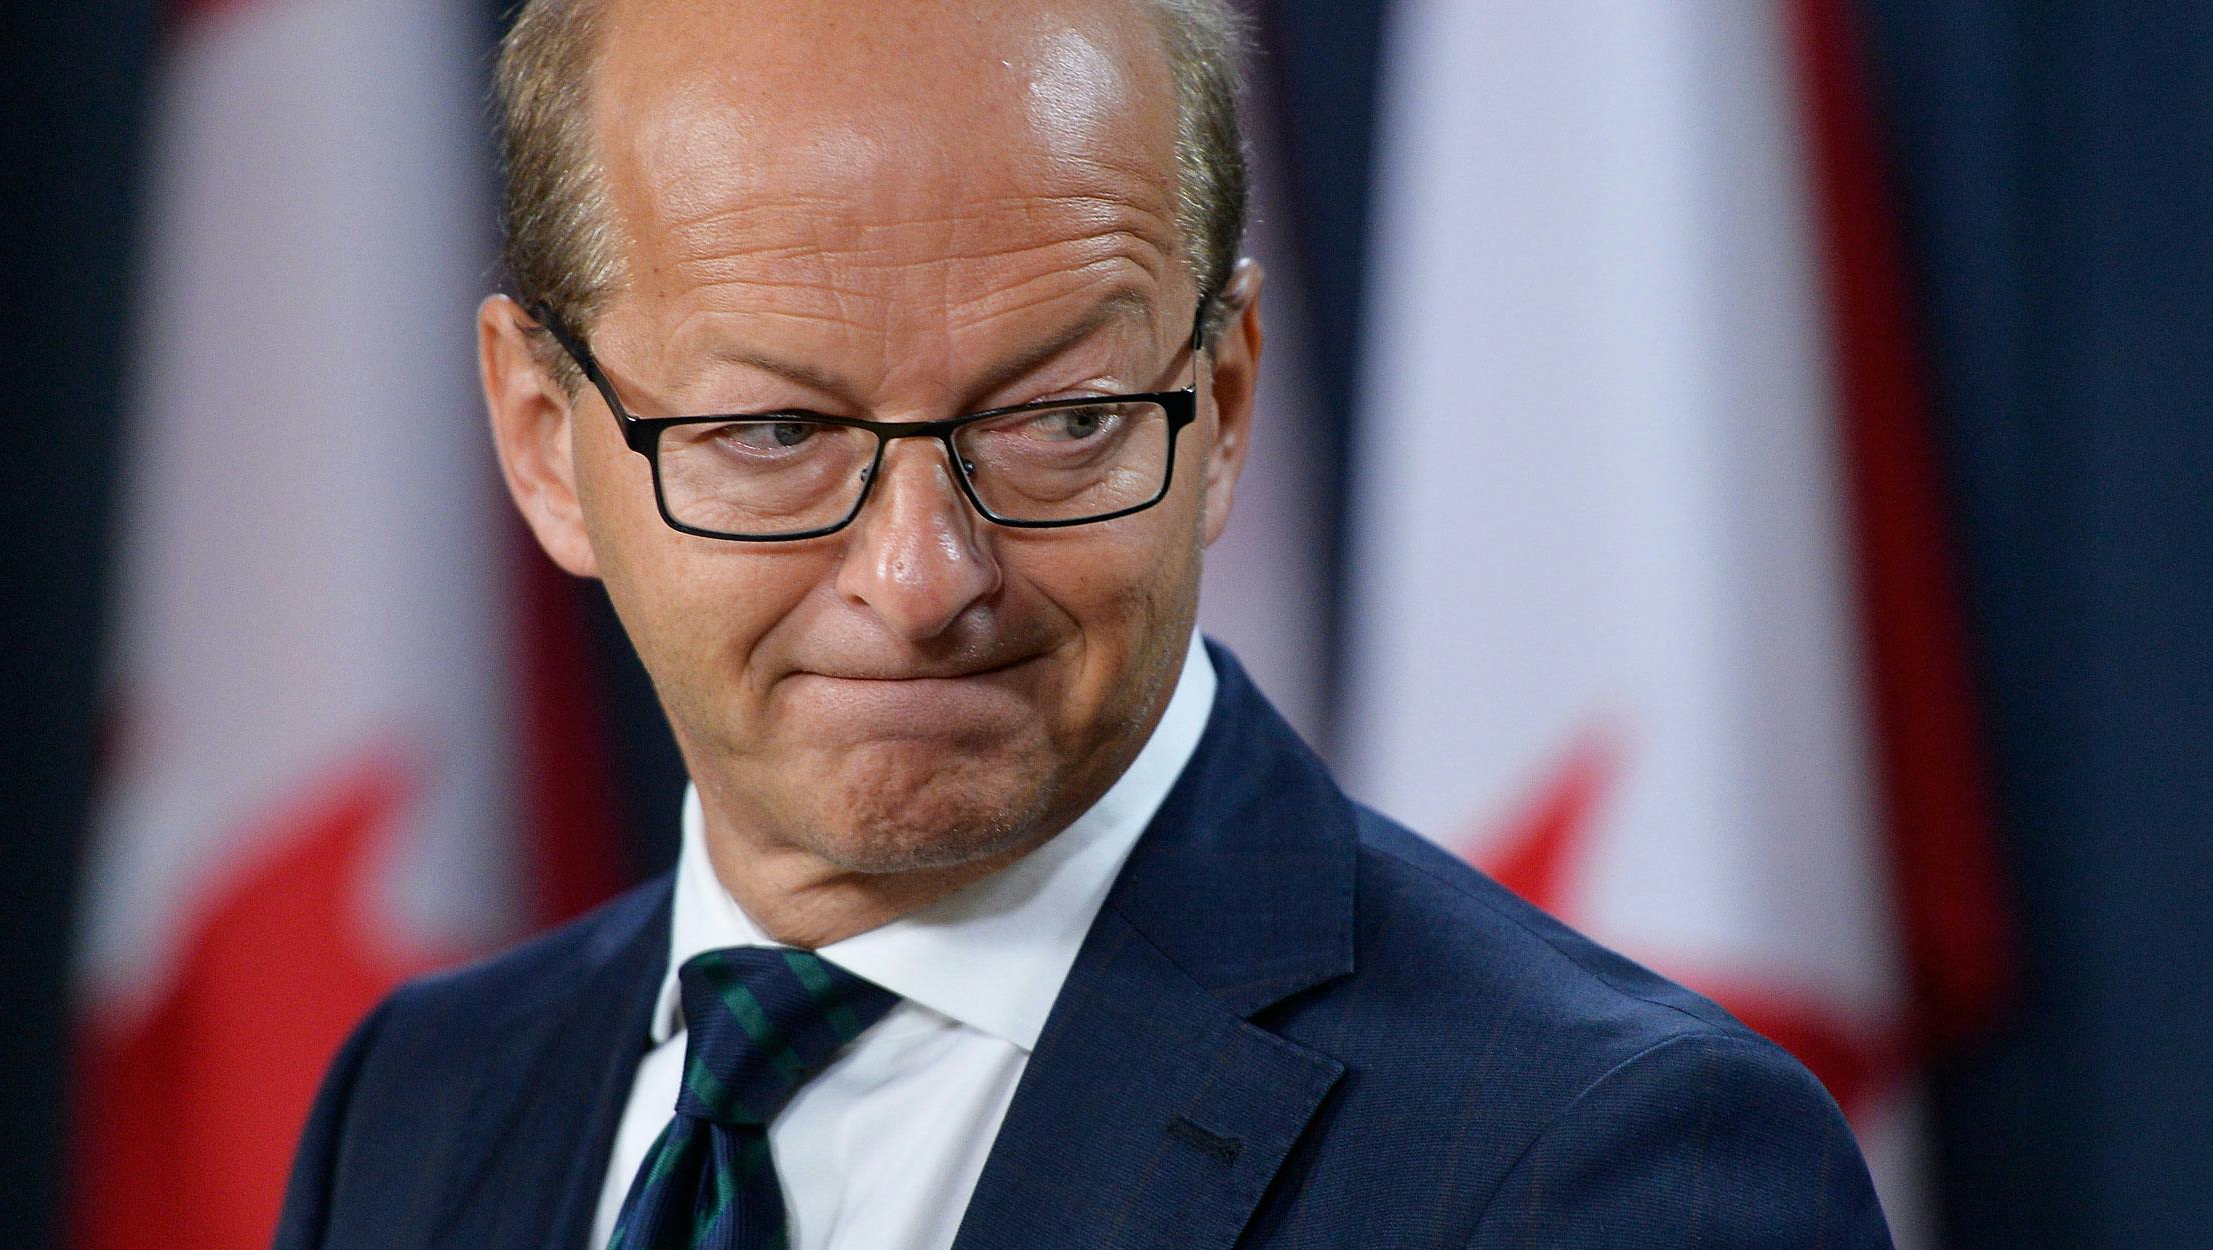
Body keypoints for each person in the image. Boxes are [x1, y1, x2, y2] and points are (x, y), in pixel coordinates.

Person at [273, 0, 1895, 1245]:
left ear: (1224, 397)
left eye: (1061, 419)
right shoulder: (418, 1106)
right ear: (546, 444)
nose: (923, 581)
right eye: (777, 435)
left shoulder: (1611, 1165)